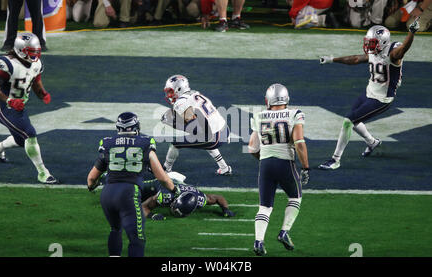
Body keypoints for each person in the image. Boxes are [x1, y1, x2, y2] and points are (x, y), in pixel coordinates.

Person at [318, 20, 420, 170]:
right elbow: (356, 59)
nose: (369, 46)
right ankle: (372, 142)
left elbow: (404, 49)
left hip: (381, 99)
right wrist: (332, 59)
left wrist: (412, 32)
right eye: (369, 42)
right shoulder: (375, 51)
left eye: (372, 42)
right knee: (354, 120)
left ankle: (335, 160)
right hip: (369, 93)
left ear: (383, 42)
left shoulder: (393, 53)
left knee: (348, 121)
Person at [86, 112, 180, 257]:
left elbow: (91, 179)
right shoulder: (145, 142)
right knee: (137, 238)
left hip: (107, 194)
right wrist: (174, 189)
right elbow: (161, 176)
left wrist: (92, 186)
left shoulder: (107, 143)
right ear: (136, 127)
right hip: (128, 193)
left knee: (115, 229)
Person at [0, 33, 58, 185]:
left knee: (21, 140)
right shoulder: (8, 63)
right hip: (4, 107)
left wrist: (42, 93)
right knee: (29, 134)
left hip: (19, 107)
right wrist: (9, 100)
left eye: (36, 51)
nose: (35, 55)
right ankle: (43, 172)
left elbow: (35, 80)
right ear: (20, 50)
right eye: (31, 51)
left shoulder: (36, 64)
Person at [248, 84, 310, 255]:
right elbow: (299, 143)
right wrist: (305, 167)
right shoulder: (295, 114)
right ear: (286, 99)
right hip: (285, 164)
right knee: (295, 198)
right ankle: (284, 232)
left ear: (268, 100)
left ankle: (258, 242)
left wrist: (265, 158)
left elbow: (252, 148)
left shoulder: (258, 115)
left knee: (264, 207)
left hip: (265, 165)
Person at [161, 74, 232, 175]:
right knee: (205, 136)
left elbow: (195, 129)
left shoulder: (180, 103)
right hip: (225, 129)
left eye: (171, 91)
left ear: (179, 89)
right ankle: (224, 168)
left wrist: (172, 123)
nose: (169, 95)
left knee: (175, 144)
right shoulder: (195, 94)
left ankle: (165, 170)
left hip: (215, 136)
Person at [141, 177, 235, 220]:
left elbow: (218, 198)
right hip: (161, 183)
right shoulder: (165, 196)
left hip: (178, 182)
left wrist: (225, 209)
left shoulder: (199, 198)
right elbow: (143, 207)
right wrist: (151, 215)